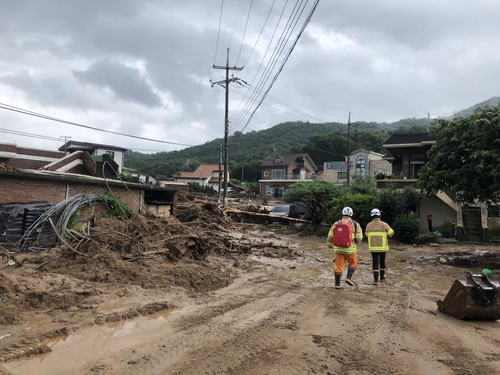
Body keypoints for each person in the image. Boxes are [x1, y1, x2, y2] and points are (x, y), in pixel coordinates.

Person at [327, 207, 363, 288]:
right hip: (350, 249)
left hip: (338, 249)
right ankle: (348, 278)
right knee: (353, 263)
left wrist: (329, 245)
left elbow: (330, 235)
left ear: (342, 213)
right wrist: (356, 243)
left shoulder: (336, 223)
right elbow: (359, 237)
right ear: (351, 214)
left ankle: (337, 284)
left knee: (338, 266)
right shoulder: (355, 224)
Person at [365, 208, 395, 285]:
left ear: (371, 216)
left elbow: (366, 234)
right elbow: (391, 234)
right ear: (379, 215)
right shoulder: (384, 224)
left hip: (373, 248)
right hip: (383, 248)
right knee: (382, 262)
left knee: (375, 263)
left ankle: (375, 280)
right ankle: (382, 277)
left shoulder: (368, 225)